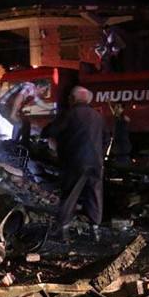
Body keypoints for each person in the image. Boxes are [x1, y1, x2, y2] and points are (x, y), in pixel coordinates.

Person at [44, 86, 109, 243]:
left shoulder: (70, 114)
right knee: (94, 194)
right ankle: (96, 232)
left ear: (73, 99)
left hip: (76, 162)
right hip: (95, 162)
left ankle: (63, 231)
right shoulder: (98, 116)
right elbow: (106, 139)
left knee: (70, 193)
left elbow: (51, 131)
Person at [0, 78, 52, 144]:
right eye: (43, 90)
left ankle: (24, 142)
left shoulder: (34, 91)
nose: (43, 92)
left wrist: (54, 107)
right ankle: (14, 144)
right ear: (38, 86)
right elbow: (18, 99)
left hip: (10, 106)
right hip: (4, 105)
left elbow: (40, 103)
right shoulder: (30, 87)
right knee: (18, 123)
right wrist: (13, 114)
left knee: (26, 123)